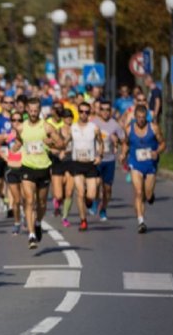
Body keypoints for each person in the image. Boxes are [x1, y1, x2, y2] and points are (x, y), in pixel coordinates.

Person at [12, 97, 63, 248]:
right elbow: (19, 141)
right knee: (29, 200)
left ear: (40, 111)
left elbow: (61, 144)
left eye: (36, 111)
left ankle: (38, 222)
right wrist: (14, 148)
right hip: (27, 167)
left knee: (41, 202)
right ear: (27, 110)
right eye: (31, 111)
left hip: (44, 168)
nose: (33, 113)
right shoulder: (21, 127)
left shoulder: (47, 127)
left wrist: (51, 142)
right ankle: (31, 234)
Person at [120, 104, 165, 233]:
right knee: (138, 192)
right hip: (135, 163)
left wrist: (157, 152)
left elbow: (163, 144)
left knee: (148, 194)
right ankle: (141, 222)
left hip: (150, 164)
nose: (140, 120)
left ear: (146, 117)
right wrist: (123, 154)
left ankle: (150, 197)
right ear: (135, 117)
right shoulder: (129, 129)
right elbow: (125, 144)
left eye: (143, 117)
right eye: (138, 117)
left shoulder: (154, 128)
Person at [67, 102, 104, 231]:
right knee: (80, 193)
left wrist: (100, 155)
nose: (84, 114)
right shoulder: (72, 128)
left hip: (90, 164)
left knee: (91, 195)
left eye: (86, 112)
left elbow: (100, 143)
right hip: (77, 163)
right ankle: (83, 220)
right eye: (81, 111)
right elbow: (66, 141)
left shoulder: (94, 128)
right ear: (78, 112)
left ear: (89, 113)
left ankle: (89, 202)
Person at [91, 100, 125, 221]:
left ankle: (103, 208)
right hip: (96, 159)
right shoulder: (93, 122)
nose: (105, 112)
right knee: (95, 184)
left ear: (110, 111)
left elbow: (123, 140)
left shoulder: (114, 124)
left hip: (109, 159)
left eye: (107, 110)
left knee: (107, 189)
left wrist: (122, 151)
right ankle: (95, 201)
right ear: (99, 110)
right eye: (103, 109)